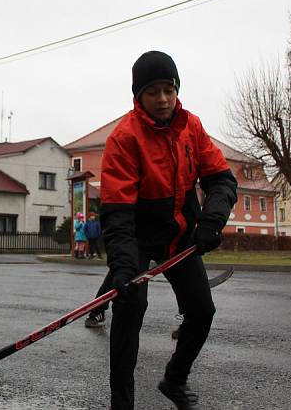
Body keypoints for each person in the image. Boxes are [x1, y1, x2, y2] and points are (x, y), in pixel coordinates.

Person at [100, 51, 237, 409]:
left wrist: (212, 220)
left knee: (202, 311)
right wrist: (125, 266)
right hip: (138, 237)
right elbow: (117, 212)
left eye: (169, 90)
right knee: (130, 311)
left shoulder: (191, 127)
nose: (162, 99)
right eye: (152, 92)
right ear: (138, 96)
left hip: (179, 236)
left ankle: (174, 379)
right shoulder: (124, 138)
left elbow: (222, 179)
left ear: (177, 91)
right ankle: (121, 401)